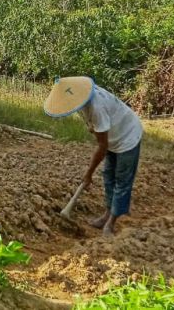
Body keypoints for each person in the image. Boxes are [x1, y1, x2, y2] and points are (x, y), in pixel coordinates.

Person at [45, 76, 143, 237]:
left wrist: (88, 174)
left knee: (121, 180)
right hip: (113, 135)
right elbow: (98, 128)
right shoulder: (82, 98)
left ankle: (110, 223)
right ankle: (106, 214)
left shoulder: (97, 106)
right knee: (108, 176)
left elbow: (102, 146)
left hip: (128, 136)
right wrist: (94, 127)